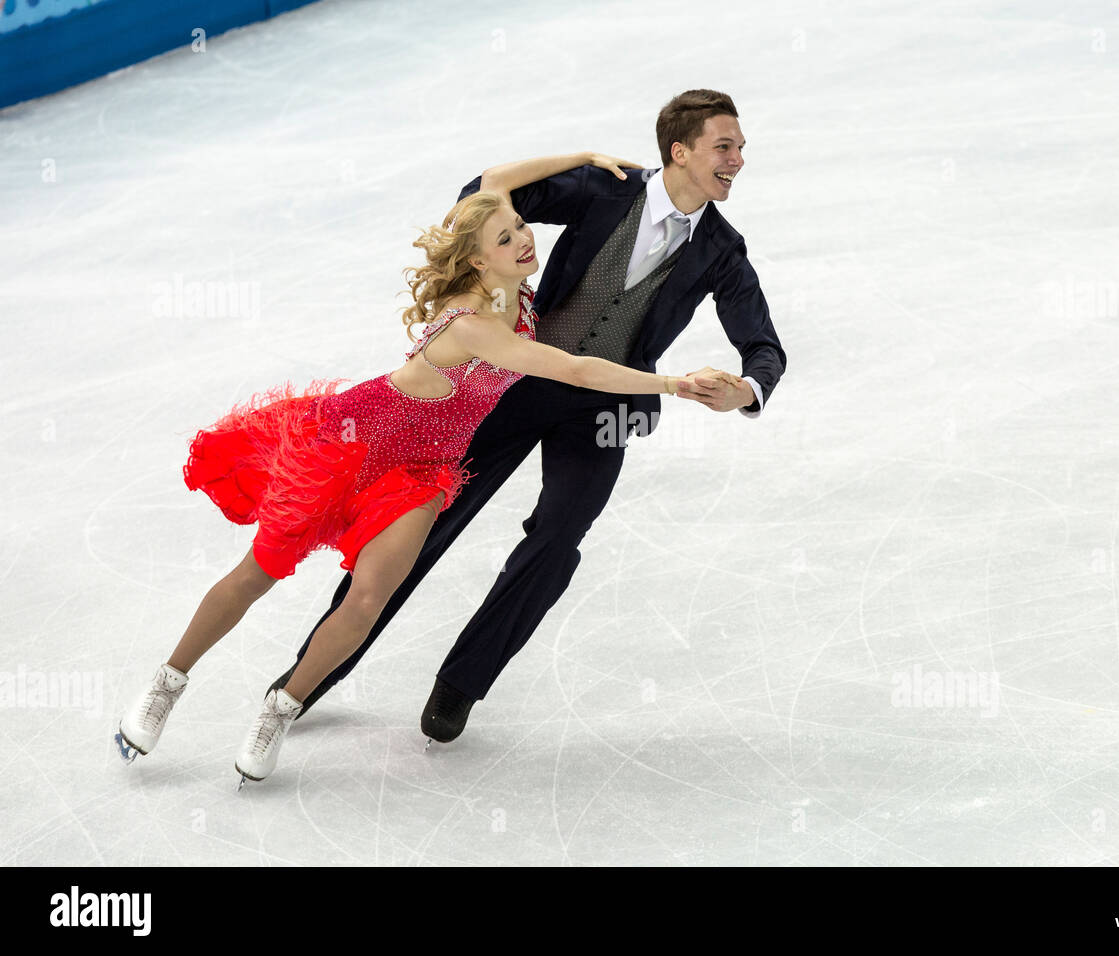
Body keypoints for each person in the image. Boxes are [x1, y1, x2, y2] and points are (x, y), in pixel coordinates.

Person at [115, 153, 711, 785]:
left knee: (371, 595)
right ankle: (167, 683)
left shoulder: (506, 280)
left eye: (520, 227)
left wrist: (583, 156)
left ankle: (280, 709)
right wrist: (674, 382)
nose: (524, 237)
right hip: (349, 443)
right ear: (478, 260)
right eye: (506, 237)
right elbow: (579, 370)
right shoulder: (476, 322)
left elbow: (496, 183)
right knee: (257, 575)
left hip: (424, 469)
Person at [271, 89, 787, 744]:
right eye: (725, 145)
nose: (739, 159)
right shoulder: (607, 189)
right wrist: (567, 163)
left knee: (557, 538)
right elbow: (483, 201)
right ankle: (313, 672)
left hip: (607, 405)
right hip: (512, 380)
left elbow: (763, 347)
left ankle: (461, 683)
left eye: (740, 147)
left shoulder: (721, 247)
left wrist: (745, 390)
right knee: (422, 520)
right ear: (680, 152)